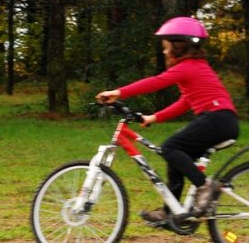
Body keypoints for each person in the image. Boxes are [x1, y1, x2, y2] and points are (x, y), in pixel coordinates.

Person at [97, 16, 239, 226]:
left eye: (166, 47)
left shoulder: (188, 66)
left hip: (217, 119)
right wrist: (153, 117)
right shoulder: (195, 67)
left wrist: (118, 92)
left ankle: (206, 187)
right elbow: (184, 102)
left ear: (179, 46)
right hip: (221, 120)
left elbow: (156, 82)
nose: (164, 52)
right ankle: (170, 212)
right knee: (176, 155)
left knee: (170, 147)